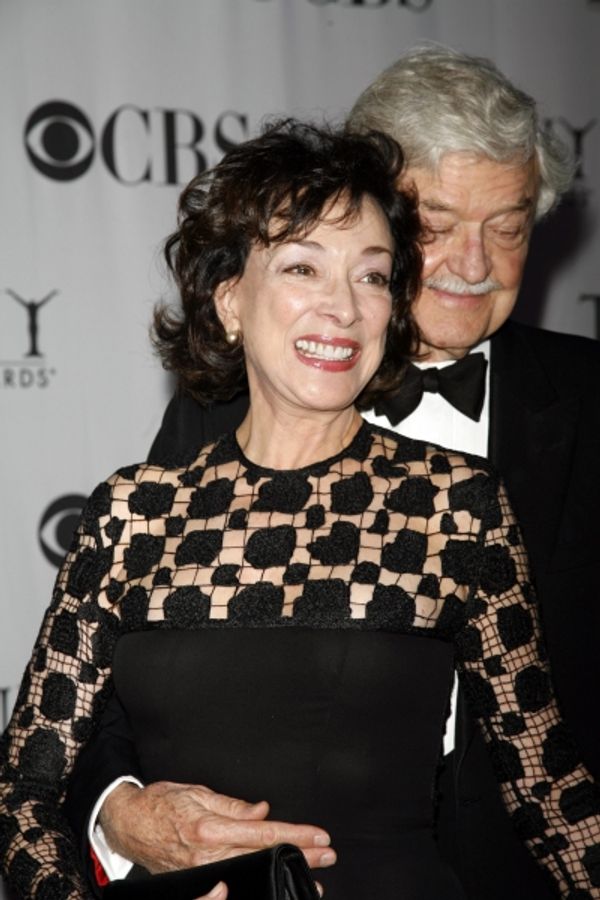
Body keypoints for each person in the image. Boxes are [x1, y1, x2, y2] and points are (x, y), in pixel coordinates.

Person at [2, 119, 599, 900]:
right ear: (229, 302)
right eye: (302, 268)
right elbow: (23, 794)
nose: (343, 308)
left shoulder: (456, 507)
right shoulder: (132, 515)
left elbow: (549, 794)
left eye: (373, 276)